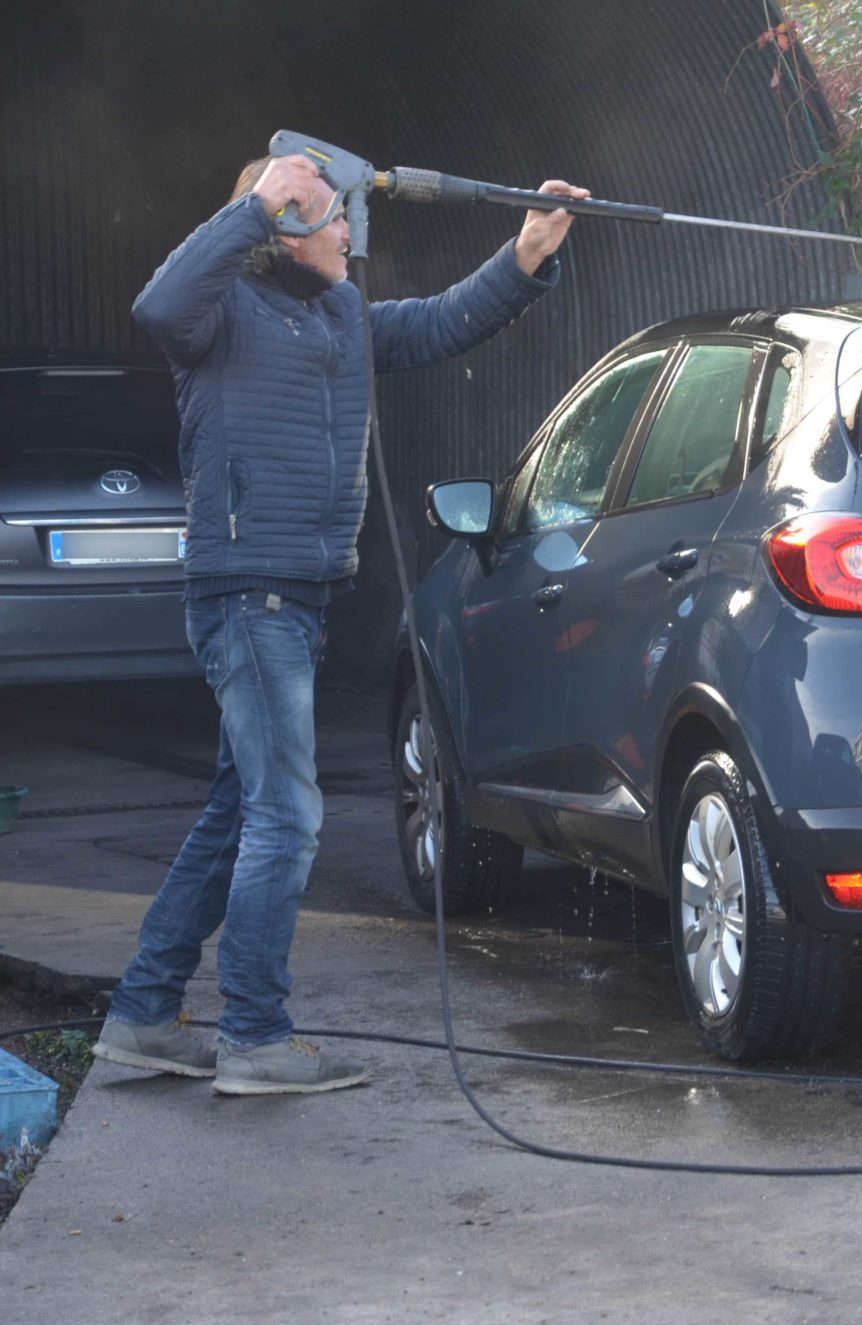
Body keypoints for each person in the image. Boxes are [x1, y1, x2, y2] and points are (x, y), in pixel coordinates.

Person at [91, 152, 587, 1095]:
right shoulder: (218, 316)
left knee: (242, 811)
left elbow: (444, 322)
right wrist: (254, 203)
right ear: (280, 225)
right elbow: (156, 307)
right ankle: (253, 1034)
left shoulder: (343, 317)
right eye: (331, 219)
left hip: (301, 598)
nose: (351, 235)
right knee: (287, 814)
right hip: (247, 595)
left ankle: (146, 1014)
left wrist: (526, 253)